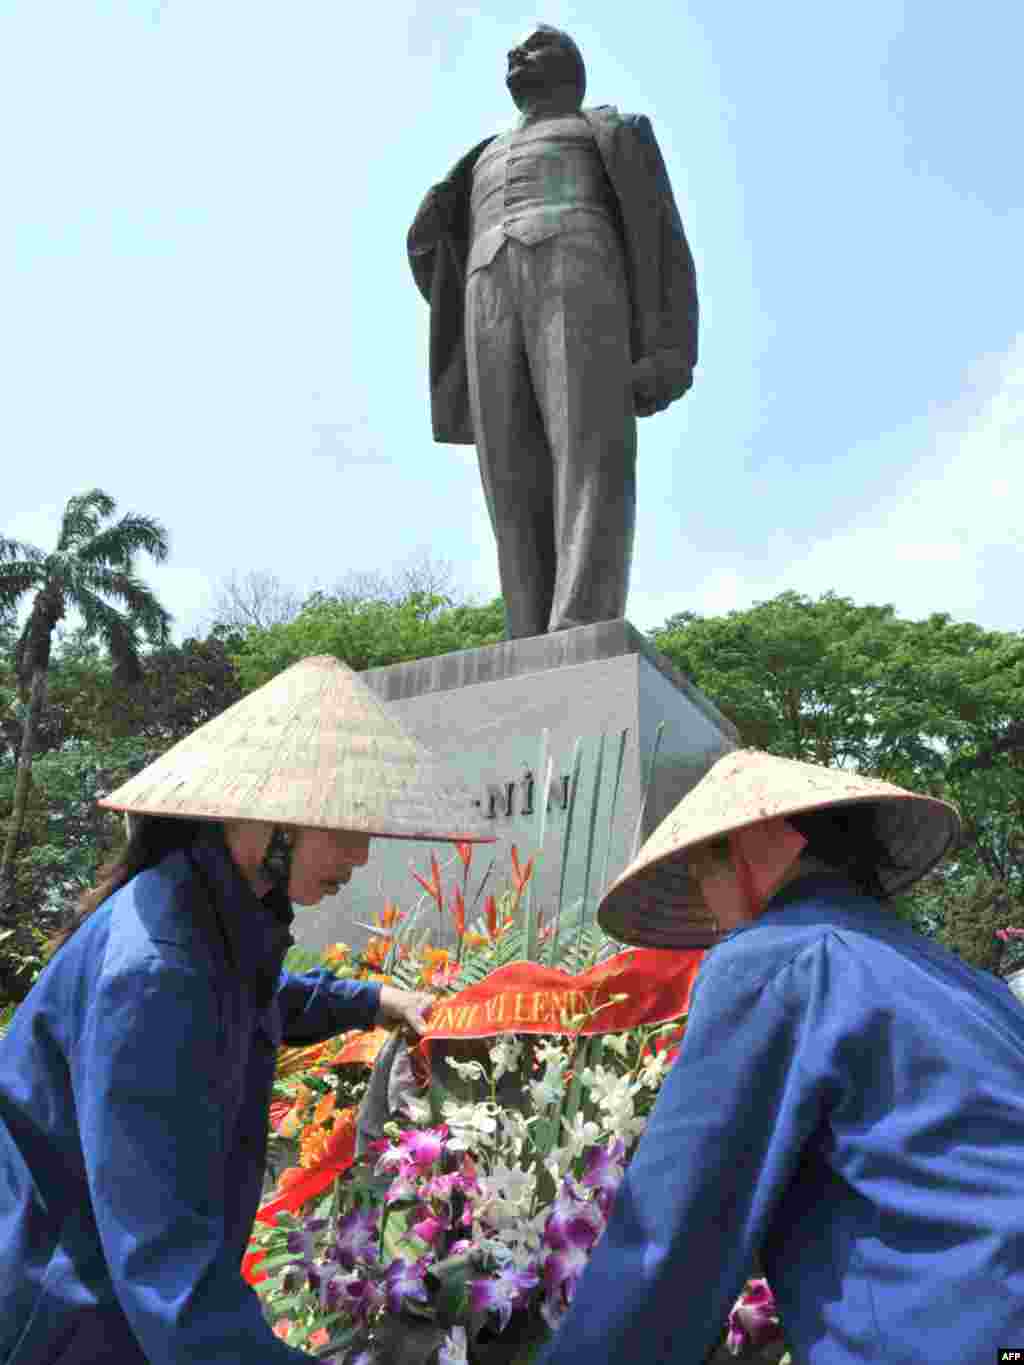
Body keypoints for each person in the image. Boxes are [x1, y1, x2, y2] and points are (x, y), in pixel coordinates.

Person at [0, 654, 493, 1364]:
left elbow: (253, 996)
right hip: (66, 1321)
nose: (360, 854)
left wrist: (374, 1000)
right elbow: (173, 1283)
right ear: (261, 817)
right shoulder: (158, 968)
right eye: (342, 822)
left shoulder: (206, 914)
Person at [536, 747, 1024, 1364]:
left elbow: (673, 1236)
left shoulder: (778, 959)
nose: (706, 904)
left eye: (700, 873)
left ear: (760, 844)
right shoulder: (965, 978)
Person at [407, 24, 698, 639]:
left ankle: (582, 618)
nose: (516, 55)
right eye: (514, 50)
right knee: (507, 466)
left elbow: (663, 236)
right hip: (486, 286)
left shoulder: (609, 130)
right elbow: (435, 247)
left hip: (579, 267)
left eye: (534, 46)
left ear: (572, 67)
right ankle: (527, 627)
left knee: (589, 447)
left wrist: (669, 347)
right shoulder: (480, 154)